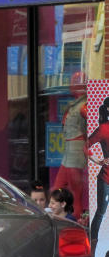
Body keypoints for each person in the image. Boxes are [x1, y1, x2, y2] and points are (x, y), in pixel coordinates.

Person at [52, 71, 88, 219]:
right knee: (58, 187)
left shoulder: (84, 105)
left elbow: (94, 126)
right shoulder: (77, 104)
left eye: (75, 82)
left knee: (75, 191)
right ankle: (65, 218)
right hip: (69, 152)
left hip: (76, 151)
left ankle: (77, 220)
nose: (72, 86)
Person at [88, 96, 109, 257]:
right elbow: (84, 145)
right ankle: (91, 254)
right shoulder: (103, 129)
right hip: (106, 179)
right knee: (101, 213)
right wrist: (98, 160)